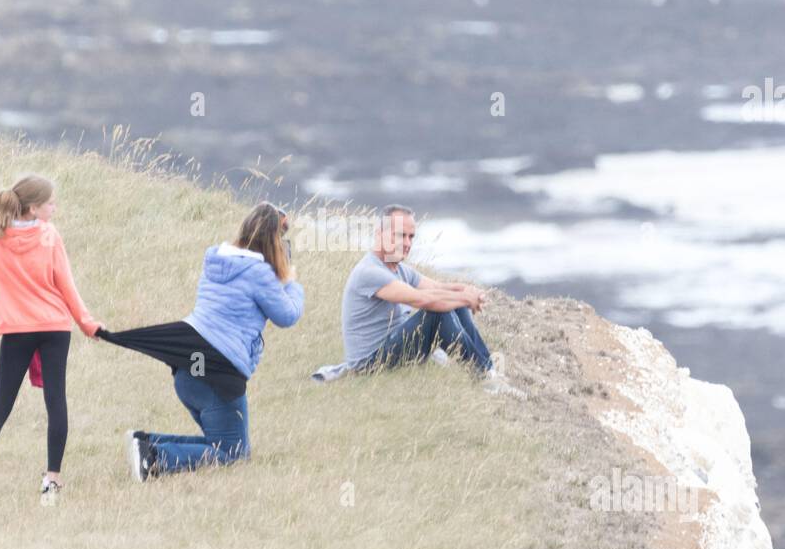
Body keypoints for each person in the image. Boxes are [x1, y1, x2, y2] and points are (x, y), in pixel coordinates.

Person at [98, 202, 304, 481]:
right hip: (217, 373)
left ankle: (144, 442)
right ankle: (154, 458)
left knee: (222, 444)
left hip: (188, 370)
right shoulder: (260, 274)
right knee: (233, 454)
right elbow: (287, 315)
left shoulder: (215, 259)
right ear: (275, 242)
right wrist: (291, 281)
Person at [0, 174, 102, 507]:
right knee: (56, 401)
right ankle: (52, 480)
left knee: (1, 403)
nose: (55, 207)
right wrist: (87, 324)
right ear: (34, 208)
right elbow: (66, 284)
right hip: (54, 326)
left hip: (16, 328)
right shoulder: (49, 236)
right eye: (51, 202)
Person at [337, 204, 523, 395]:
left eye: (411, 237)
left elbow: (438, 288)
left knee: (454, 305)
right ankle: (484, 377)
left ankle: (489, 372)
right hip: (368, 365)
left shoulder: (398, 269)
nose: (407, 243)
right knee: (438, 312)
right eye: (401, 235)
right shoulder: (370, 272)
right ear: (379, 234)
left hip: (391, 347)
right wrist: (464, 298)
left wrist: (466, 291)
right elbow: (422, 300)